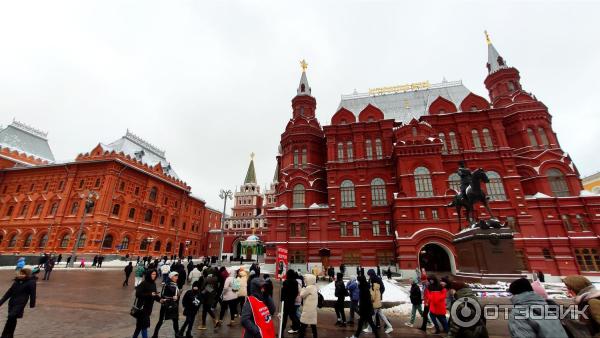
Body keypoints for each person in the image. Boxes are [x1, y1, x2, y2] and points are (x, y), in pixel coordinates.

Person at [0, 266, 36, 338]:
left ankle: (5, 335)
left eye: (23, 274)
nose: (20, 275)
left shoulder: (31, 282)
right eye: (20, 273)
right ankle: (9, 335)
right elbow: (9, 292)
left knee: (11, 316)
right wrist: (1, 302)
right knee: (12, 319)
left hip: (20, 303)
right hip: (12, 302)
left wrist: (32, 304)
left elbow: (33, 293)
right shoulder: (16, 282)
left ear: (27, 274)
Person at [151, 271, 181, 338]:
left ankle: (177, 335)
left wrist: (177, 297)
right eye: (175, 276)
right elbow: (163, 296)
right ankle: (155, 335)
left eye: (177, 276)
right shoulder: (166, 285)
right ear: (171, 277)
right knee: (161, 320)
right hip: (166, 305)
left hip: (174, 305)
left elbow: (177, 295)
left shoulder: (175, 284)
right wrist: (172, 298)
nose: (177, 278)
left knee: (175, 320)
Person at [133, 269, 160, 338]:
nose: (154, 276)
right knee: (144, 326)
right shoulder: (144, 283)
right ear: (149, 275)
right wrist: (150, 294)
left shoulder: (153, 284)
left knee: (139, 326)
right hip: (142, 308)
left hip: (148, 308)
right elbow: (138, 294)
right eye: (152, 274)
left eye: (155, 274)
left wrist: (160, 300)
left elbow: (154, 295)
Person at [280, 270, 300, 337]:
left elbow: (283, 292)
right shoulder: (295, 282)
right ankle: (298, 327)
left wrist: (282, 299)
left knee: (284, 318)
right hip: (292, 302)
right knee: (293, 316)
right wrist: (293, 298)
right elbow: (296, 292)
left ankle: (281, 331)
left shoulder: (286, 282)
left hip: (285, 303)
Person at [298, 274, 318, 338]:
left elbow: (302, 295)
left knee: (303, 325)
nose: (305, 281)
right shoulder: (314, 287)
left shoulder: (308, 288)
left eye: (306, 280)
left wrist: (303, 287)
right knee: (313, 325)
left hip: (307, 310)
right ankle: (315, 336)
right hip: (313, 309)